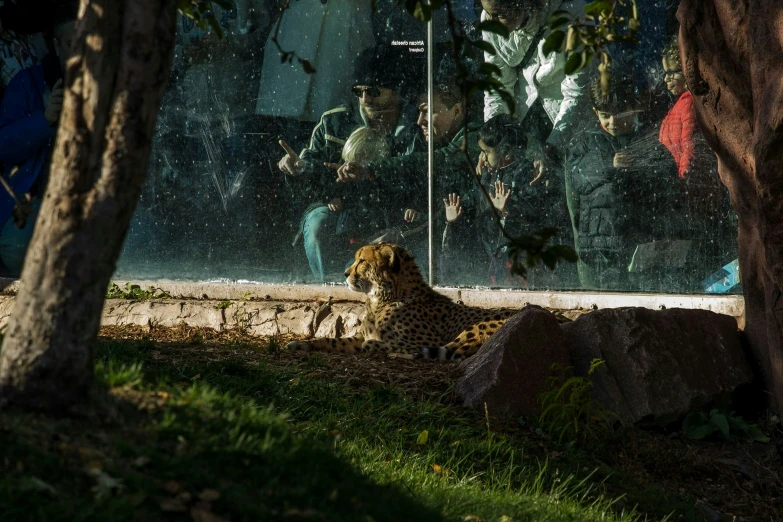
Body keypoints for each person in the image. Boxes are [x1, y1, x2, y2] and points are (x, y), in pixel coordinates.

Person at [277, 43, 421, 282]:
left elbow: (417, 179)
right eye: (359, 91)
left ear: (396, 91)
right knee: (317, 224)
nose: (365, 99)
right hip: (337, 207)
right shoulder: (333, 121)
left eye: (374, 91)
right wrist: (296, 170)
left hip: (390, 213)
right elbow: (308, 177)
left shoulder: (416, 126)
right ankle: (329, 289)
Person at [564, 74, 678, 291]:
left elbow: (666, 170)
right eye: (606, 116)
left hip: (641, 237)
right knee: (613, 295)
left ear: (632, 109)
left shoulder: (644, 137)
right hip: (604, 243)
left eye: (619, 114)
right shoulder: (586, 142)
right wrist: (609, 164)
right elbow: (578, 175)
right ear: (596, 113)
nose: (613, 122)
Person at [441, 114, 569, 286]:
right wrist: (455, 215)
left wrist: (507, 210)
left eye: (486, 152)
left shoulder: (527, 174)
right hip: (488, 255)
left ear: (506, 151)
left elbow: (537, 215)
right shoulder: (488, 175)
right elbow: (475, 199)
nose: (482, 158)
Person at [0, 2, 74, 274]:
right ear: (56, 45)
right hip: (36, 199)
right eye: (70, 42)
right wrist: (45, 120)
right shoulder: (26, 83)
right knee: (17, 247)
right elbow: (3, 146)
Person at [479, 0, 589, 171]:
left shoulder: (574, 15)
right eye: (487, 13)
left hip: (568, 122)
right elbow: (497, 86)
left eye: (501, 15)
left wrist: (554, 145)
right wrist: (492, 142)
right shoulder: (490, 19)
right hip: (526, 121)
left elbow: (578, 91)